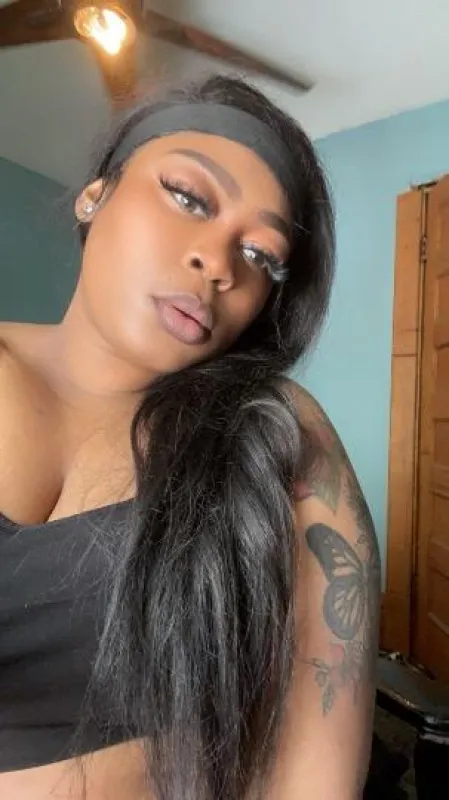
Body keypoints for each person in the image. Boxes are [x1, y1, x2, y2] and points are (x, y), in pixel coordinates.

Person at [0, 73, 380, 800]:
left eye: (262, 257)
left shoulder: (277, 434)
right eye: (188, 197)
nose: (219, 263)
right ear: (95, 195)